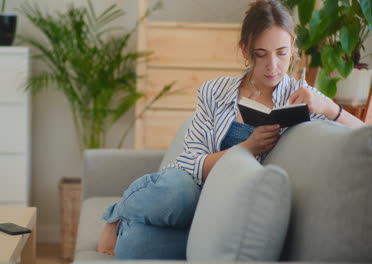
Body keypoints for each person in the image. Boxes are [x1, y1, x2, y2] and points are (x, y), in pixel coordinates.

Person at [96, 0, 365, 260]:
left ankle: (128, 229)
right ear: (245, 51)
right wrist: (246, 149)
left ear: (293, 47)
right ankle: (118, 212)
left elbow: (366, 137)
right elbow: (189, 162)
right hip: (191, 196)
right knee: (177, 191)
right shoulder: (215, 92)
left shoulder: (300, 96)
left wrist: (328, 107)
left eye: (282, 53)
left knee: (132, 247)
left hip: (221, 216)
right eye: (261, 54)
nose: (273, 66)